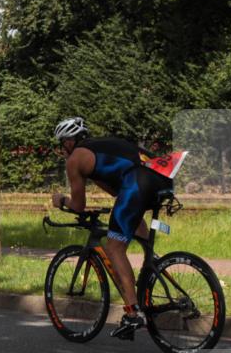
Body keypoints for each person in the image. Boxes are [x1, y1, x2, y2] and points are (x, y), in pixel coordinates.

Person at [50, 117, 173, 340]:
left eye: (62, 144)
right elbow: (117, 192)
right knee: (134, 219)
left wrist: (61, 201)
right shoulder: (100, 148)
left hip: (138, 182)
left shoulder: (75, 159)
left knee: (114, 248)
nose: (63, 150)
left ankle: (133, 313)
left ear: (68, 142)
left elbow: (78, 205)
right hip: (161, 178)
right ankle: (150, 267)